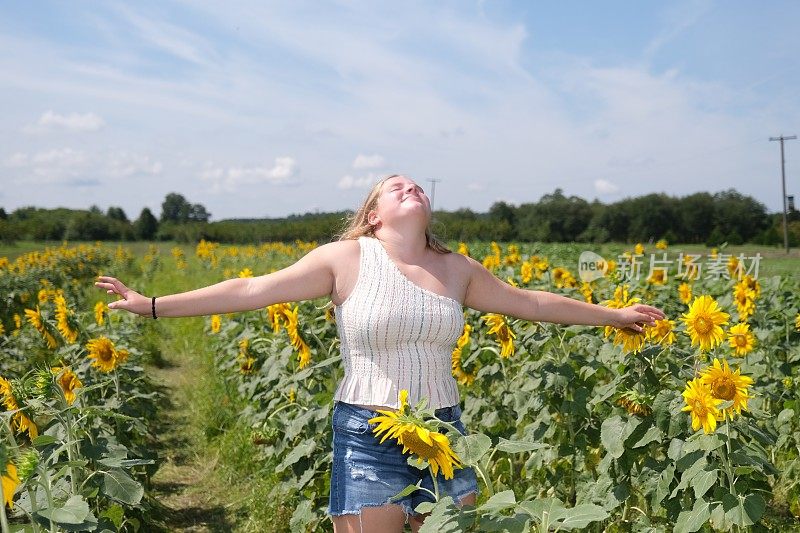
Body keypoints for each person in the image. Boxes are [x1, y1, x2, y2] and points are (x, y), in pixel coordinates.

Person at [95, 174, 666, 533]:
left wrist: (613, 315)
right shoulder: (345, 259)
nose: (410, 188)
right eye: (395, 187)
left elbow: (532, 303)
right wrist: (151, 304)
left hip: (443, 429)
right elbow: (250, 289)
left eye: (417, 186)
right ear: (373, 214)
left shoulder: (456, 268)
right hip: (370, 428)